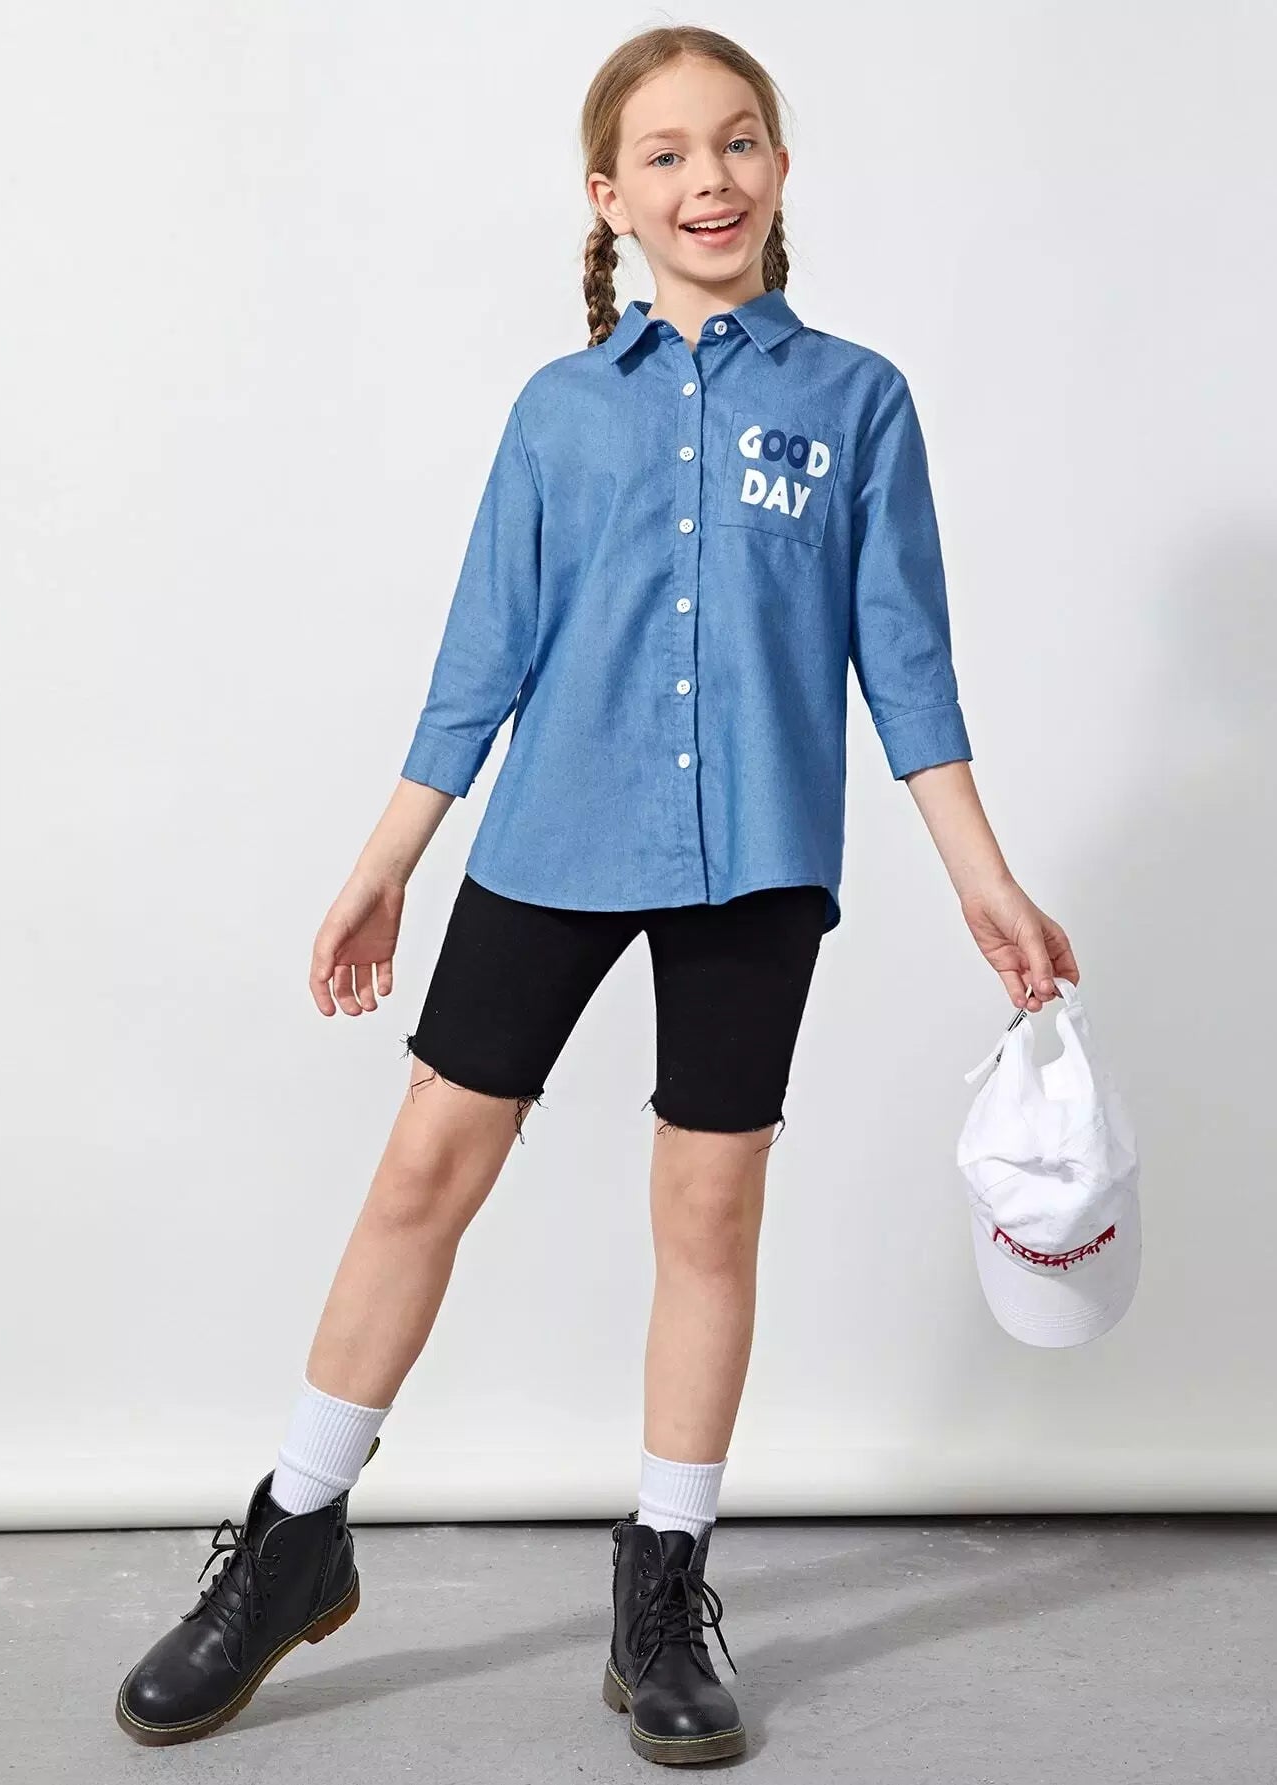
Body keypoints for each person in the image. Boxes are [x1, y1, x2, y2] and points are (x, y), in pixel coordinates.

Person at [114, 23, 1079, 1765]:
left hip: (758, 857)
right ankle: (294, 1532)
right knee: (426, 1165)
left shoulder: (858, 402)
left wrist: (984, 882)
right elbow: (482, 654)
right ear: (609, 196)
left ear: (781, 167)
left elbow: (907, 663)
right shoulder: (558, 413)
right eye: (667, 153)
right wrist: (386, 861)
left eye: (739, 141)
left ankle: (664, 1582)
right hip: (552, 836)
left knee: (708, 1212)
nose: (709, 178)